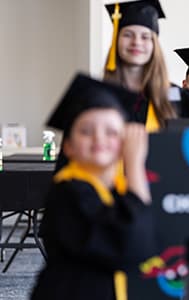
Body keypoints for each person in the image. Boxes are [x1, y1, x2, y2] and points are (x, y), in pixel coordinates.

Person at [32, 74, 155, 300]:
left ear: (124, 143)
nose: (99, 138)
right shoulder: (69, 190)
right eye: (86, 131)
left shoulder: (113, 188)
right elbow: (130, 245)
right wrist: (135, 165)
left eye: (112, 132)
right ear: (67, 146)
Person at [103, 0, 189, 132]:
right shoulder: (98, 95)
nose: (136, 42)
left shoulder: (179, 98)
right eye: (127, 35)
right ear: (116, 40)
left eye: (145, 37)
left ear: (154, 45)